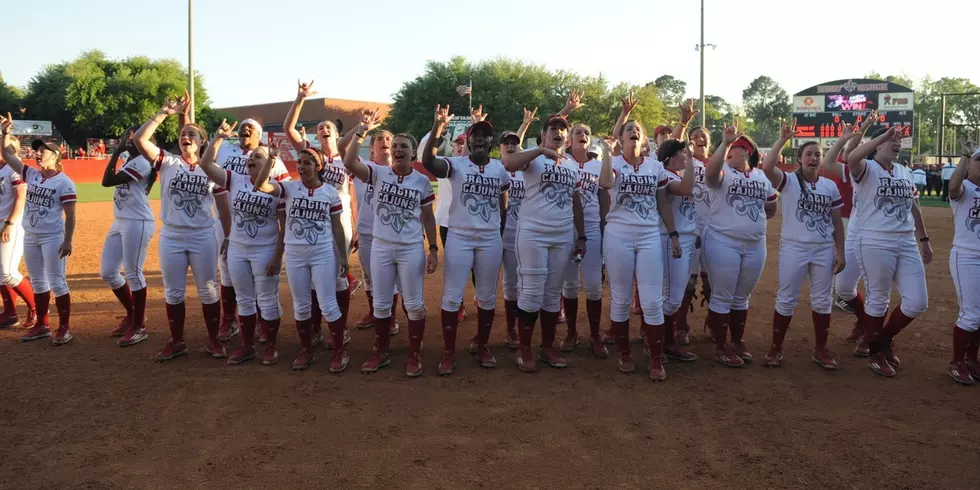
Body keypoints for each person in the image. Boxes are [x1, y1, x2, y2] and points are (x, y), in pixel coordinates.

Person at [133, 97, 232, 361]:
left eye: (191, 135)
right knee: (173, 291)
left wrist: (229, 236)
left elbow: (223, 208)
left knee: (208, 289)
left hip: (202, 235)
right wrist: (162, 113)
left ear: (202, 142)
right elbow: (140, 140)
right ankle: (176, 341)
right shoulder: (168, 161)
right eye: (182, 134)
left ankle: (213, 340)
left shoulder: (211, 170)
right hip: (172, 235)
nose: (185, 137)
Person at [833, 125, 931, 377]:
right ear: (877, 144)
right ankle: (876, 354)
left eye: (899, 139)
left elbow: (913, 205)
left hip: (906, 240)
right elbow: (850, 157)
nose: (897, 142)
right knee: (879, 297)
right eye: (892, 139)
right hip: (874, 240)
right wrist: (882, 136)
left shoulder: (904, 171)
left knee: (917, 301)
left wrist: (924, 238)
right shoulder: (866, 168)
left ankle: (881, 338)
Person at [344, 119, 439, 376]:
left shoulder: (421, 181)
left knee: (415, 304)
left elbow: (428, 217)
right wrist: (361, 133)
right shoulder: (377, 172)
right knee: (382, 305)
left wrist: (432, 248)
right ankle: (381, 352)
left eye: (403, 146)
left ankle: (414, 355)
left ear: (412, 152)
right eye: (394, 145)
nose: (397, 149)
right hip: (381, 248)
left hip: (410, 249)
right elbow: (350, 162)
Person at [422, 104, 509, 374]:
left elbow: (503, 205)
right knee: (451, 296)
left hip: (489, 239)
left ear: (491, 141)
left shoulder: (499, 169)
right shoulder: (455, 165)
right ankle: (449, 353)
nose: (480, 138)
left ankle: (482, 346)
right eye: (476, 134)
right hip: (459, 236)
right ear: (468, 140)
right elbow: (428, 162)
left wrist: (497, 231)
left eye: (485, 135)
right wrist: (438, 127)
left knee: (486, 296)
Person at [250, 141, 350, 372]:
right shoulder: (290, 188)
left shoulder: (330, 192)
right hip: (295, 254)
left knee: (327, 303)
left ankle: (339, 352)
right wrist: (273, 158)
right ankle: (306, 350)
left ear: (319, 166)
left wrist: (343, 258)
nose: (302, 167)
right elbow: (261, 184)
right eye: (300, 162)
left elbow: (337, 228)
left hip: (322, 253)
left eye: (308, 163)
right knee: (301, 305)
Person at [597, 115, 682, 381]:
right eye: (628, 130)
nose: (633, 131)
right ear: (621, 139)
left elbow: (663, 203)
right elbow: (606, 184)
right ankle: (624, 353)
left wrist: (673, 233)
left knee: (652, 300)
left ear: (643, 139)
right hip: (618, 234)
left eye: (637, 129)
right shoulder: (614, 163)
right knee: (621, 298)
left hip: (648, 235)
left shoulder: (655, 167)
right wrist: (608, 154)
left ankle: (656, 359)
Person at [197, 120, 287, 366]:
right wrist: (218, 138)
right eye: (250, 158)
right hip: (237, 248)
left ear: (269, 162)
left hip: (265, 249)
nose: (251, 160)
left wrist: (278, 256)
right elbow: (205, 164)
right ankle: (247, 346)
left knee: (267, 300)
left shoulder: (276, 188)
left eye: (258, 157)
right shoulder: (234, 179)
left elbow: (283, 225)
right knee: (245, 299)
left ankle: (270, 346)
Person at [501, 113, 585, 372]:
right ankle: (525, 349)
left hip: (562, 235)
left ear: (567, 138)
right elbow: (508, 163)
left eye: (562, 129)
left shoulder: (571, 164)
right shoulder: (533, 158)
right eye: (553, 128)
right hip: (533, 233)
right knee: (531, 291)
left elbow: (576, 201)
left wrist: (580, 235)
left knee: (552, 293)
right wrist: (539, 150)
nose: (558, 132)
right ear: (545, 134)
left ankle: (548, 347)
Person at [759, 121, 845, 369]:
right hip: (794, 247)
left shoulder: (829, 186)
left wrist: (840, 250)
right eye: (808, 154)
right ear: (799, 159)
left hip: (823, 248)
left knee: (822, 300)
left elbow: (836, 222)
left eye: (818, 154)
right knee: (786, 298)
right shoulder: (789, 181)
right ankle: (775, 348)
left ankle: (821, 349)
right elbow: (767, 167)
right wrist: (782, 139)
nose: (814, 158)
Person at [282, 80, 361, 349]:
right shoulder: (312, 155)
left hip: (339, 218)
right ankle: (314, 328)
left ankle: (341, 328)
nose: (323, 129)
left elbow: (351, 193)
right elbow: (288, 129)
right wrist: (300, 99)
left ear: (337, 134)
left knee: (337, 274)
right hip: (311, 217)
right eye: (319, 128)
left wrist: (356, 224)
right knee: (313, 278)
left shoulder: (345, 158)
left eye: (328, 127)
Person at [702, 121, 778, 367]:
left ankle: (737, 341)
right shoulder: (723, 171)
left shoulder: (760, 176)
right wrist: (724, 142)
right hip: (723, 240)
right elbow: (710, 176)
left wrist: (750, 218)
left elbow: (771, 207)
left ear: (745, 151)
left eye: (732, 148)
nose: (727, 153)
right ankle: (721, 346)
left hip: (755, 244)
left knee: (742, 296)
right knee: (723, 295)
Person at [0, 117, 76, 344]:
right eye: (37, 151)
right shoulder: (31, 174)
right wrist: (5, 132)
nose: (38, 153)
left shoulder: (65, 182)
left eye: (43, 151)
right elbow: (7, 155)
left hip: (53, 237)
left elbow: (71, 215)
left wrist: (68, 240)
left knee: (57, 281)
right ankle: (42, 324)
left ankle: (64, 327)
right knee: (39, 282)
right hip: (31, 236)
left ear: (56, 156)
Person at [99, 127, 156, 346]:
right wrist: (120, 153)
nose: (128, 141)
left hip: (138, 222)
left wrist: (115, 152)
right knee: (108, 272)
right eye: (127, 138)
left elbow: (107, 181)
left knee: (133, 273)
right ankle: (134, 314)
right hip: (121, 220)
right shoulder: (129, 159)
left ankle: (139, 326)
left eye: (132, 138)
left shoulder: (142, 162)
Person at [559, 117, 608, 358]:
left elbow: (604, 195)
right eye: (578, 131)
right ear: (569, 139)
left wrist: (603, 222)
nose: (583, 135)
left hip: (591, 228)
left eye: (586, 133)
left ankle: (596, 335)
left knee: (593, 284)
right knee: (569, 284)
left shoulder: (598, 166)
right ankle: (571, 332)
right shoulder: (562, 161)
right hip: (566, 227)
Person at [655, 139, 697, 364]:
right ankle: (660, 343)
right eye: (682, 153)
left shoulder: (678, 175)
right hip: (672, 239)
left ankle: (665, 342)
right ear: (671, 158)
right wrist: (691, 160)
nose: (686, 155)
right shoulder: (667, 177)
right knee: (671, 298)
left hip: (686, 239)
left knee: (675, 296)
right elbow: (687, 189)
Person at [499, 108, 537, 350]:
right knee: (511, 282)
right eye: (507, 144)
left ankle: (525, 325)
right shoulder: (495, 168)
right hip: (505, 232)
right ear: (500, 147)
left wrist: (524, 125)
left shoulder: (527, 169)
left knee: (529, 281)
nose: (511, 147)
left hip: (529, 231)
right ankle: (511, 329)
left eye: (515, 143)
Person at [946, 139, 980, 384]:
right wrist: (966, 156)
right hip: (967, 257)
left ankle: (971, 358)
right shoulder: (964, 188)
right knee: (971, 314)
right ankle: (957, 362)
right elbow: (953, 185)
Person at [0, 131, 37, 331]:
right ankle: (10, 313)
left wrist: (10, 223)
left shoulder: (14, 171)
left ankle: (37, 308)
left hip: (10, 225)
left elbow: (20, 198)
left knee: (7, 273)